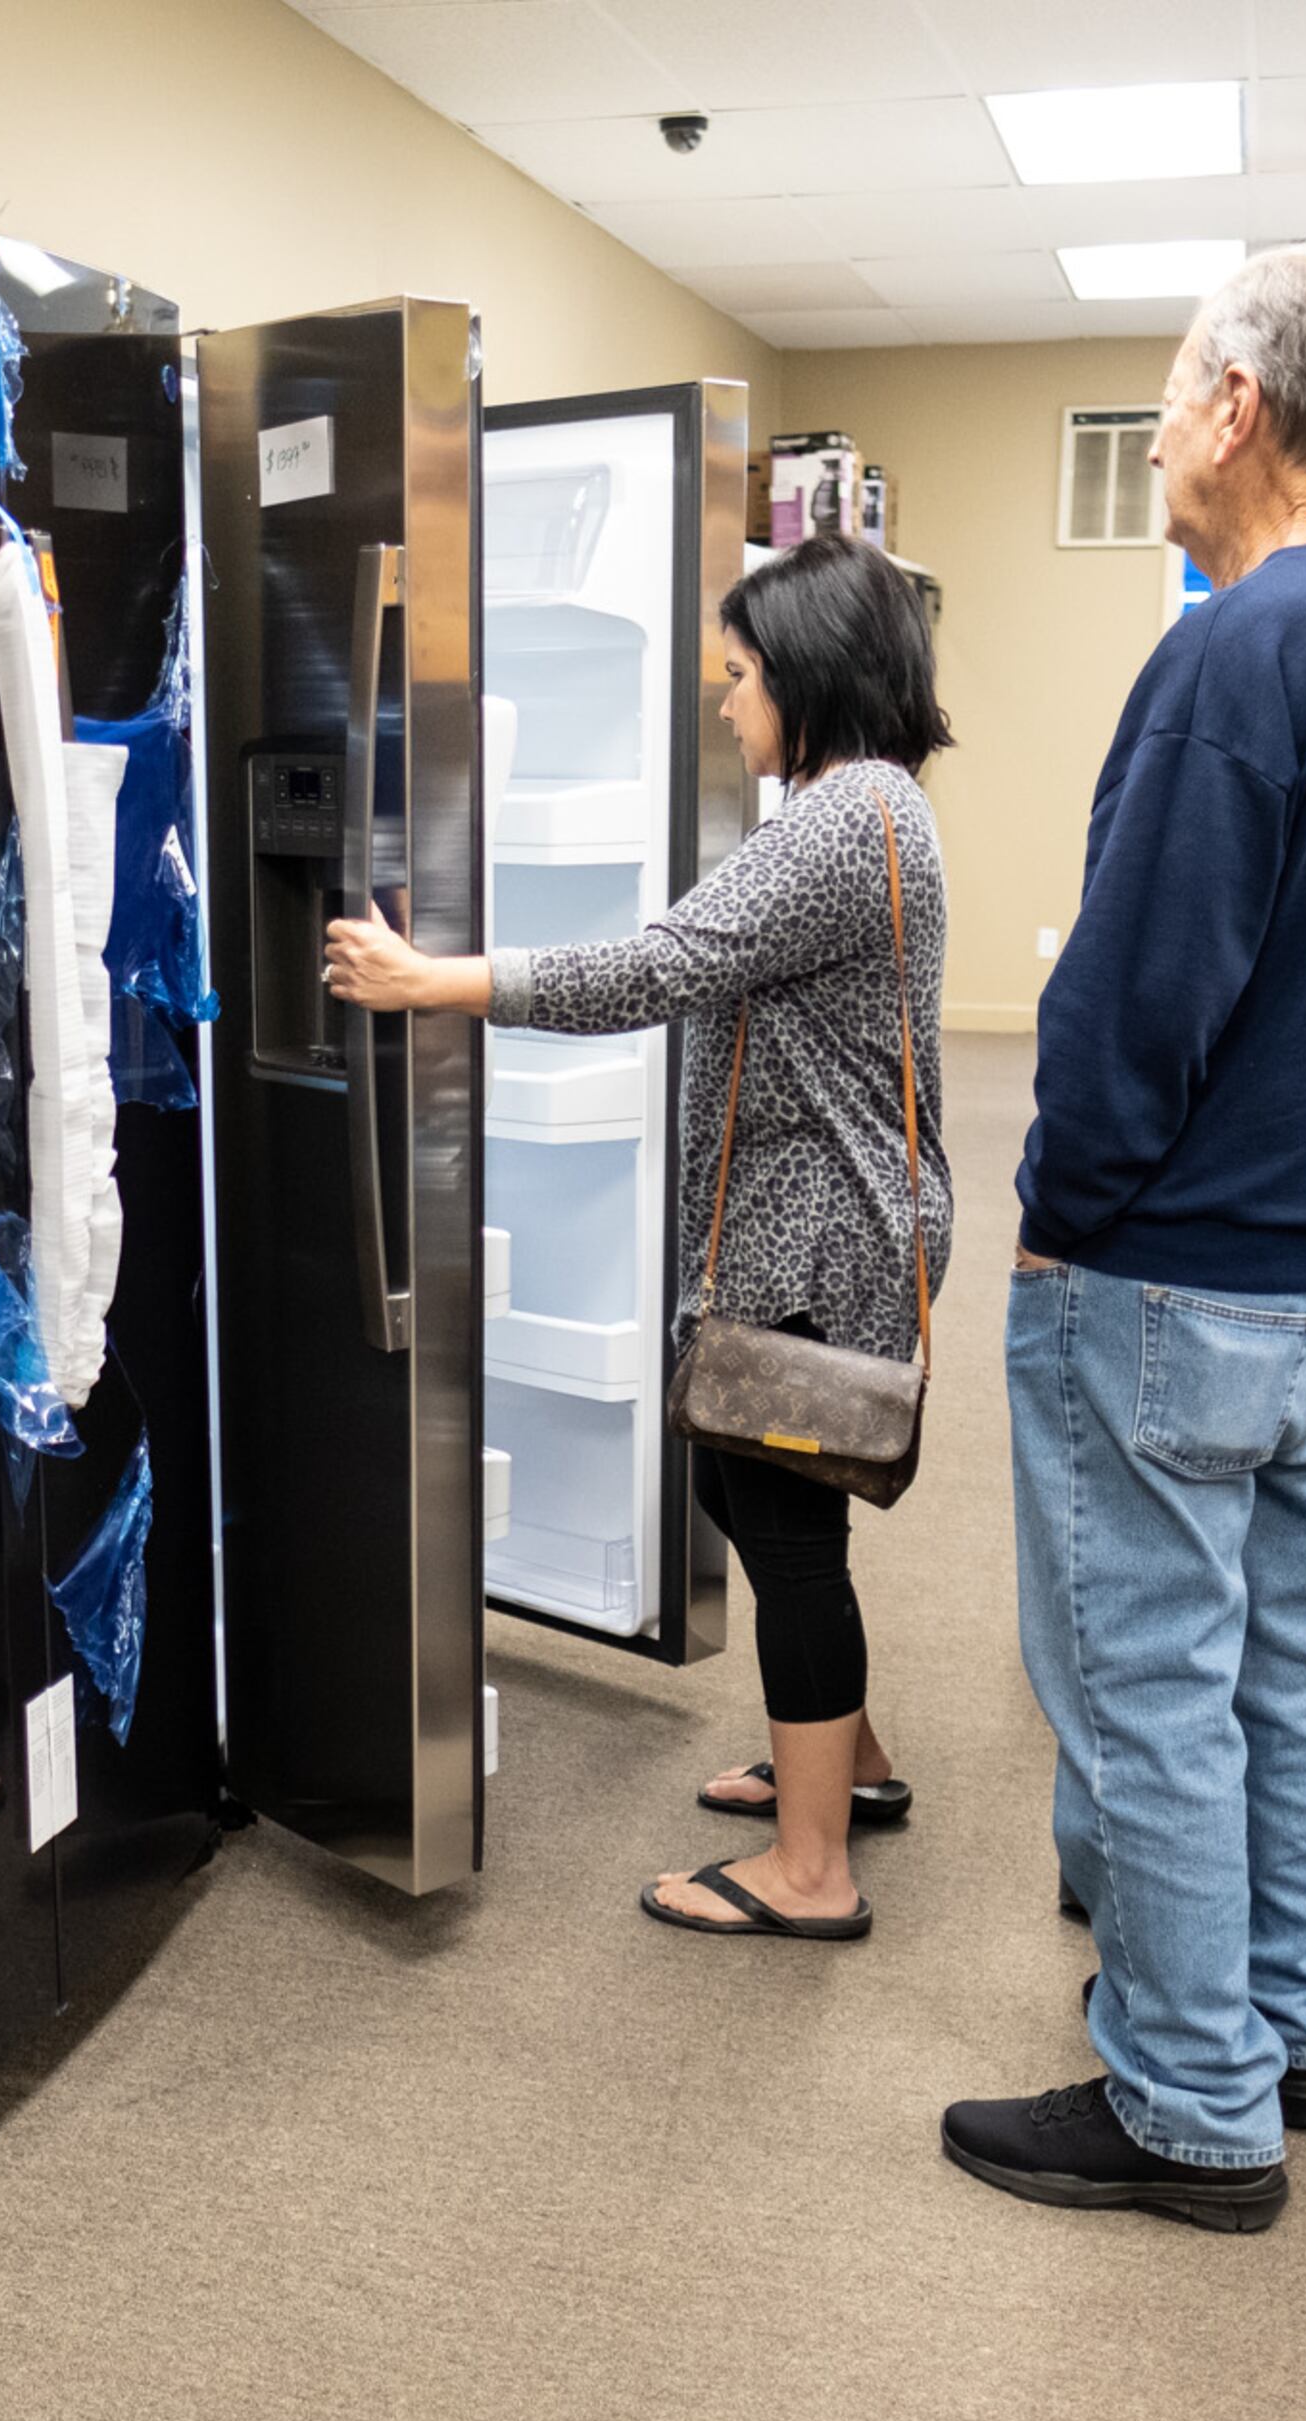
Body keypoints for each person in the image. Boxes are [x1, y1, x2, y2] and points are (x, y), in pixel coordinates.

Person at [938, 245, 1306, 2230]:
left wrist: (1063, 1220)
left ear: (1239, 411)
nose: (1162, 438)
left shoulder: (1234, 651)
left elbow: (1129, 1011)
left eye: (1171, 393)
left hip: (1171, 1278)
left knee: (1147, 1689)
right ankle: (1292, 2020)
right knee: (1281, 1665)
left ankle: (1195, 2111)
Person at [324, 534, 952, 1942]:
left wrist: (439, 980)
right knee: (749, 1495)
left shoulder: (836, 824)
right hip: (844, 1218)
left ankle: (813, 1870)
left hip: (812, 1236)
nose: (728, 705)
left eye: (742, 677)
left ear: (813, 678)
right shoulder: (882, 807)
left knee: (782, 1532)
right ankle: (848, 1763)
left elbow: (659, 969)